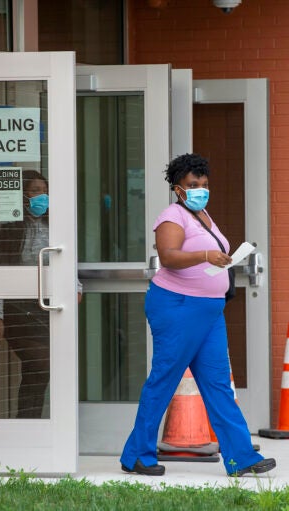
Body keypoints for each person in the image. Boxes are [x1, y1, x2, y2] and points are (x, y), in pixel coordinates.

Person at [119, 153, 276, 477]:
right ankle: (138, 455)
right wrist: (205, 254)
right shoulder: (172, 217)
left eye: (204, 184)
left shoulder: (202, 214)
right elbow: (168, 256)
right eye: (193, 185)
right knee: (164, 379)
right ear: (178, 189)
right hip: (178, 307)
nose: (200, 190)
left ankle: (241, 458)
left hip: (208, 310)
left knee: (218, 384)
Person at [0, 170, 82, 418]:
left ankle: (28, 425)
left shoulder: (56, 224)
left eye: (45, 191)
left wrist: (76, 287)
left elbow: (66, 260)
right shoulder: (4, 228)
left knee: (37, 370)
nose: (42, 196)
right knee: (40, 364)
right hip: (16, 308)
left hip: (47, 306)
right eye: (35, 191)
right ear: (22, 196)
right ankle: (29, 424)